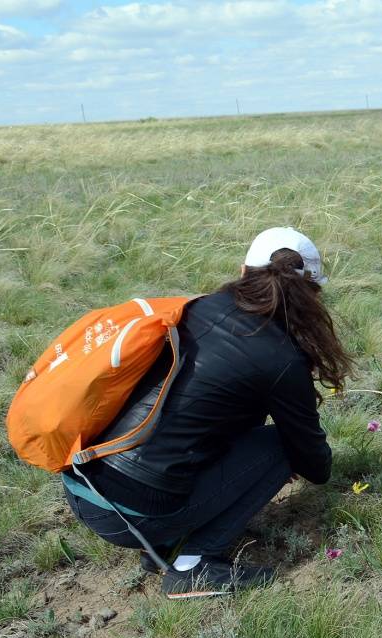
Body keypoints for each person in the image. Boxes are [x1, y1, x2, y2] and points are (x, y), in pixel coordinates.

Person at [63, 227, 351, 599]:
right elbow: (316, 465)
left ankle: (167, 541)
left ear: (243, 271)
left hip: (82, 482)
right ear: (310, 294)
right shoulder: (282, 358)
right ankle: (192, 565)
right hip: (130, 514)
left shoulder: (189, 310)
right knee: (280, 446)